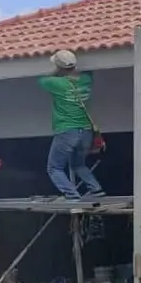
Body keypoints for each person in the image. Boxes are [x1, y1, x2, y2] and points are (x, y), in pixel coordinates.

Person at [38, 50, 105, 200]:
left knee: (54, 168)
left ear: (59, 67)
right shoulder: (86, 79)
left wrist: (57, 70)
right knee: (78, 164)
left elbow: (42, 80)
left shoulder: (55, 83)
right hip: (86, 131)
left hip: (66, 131)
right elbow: (88, 72)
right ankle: (96, 189)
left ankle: (71, 194)